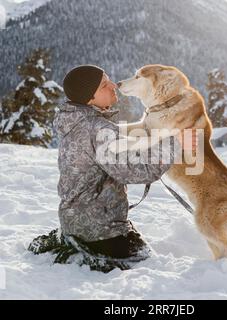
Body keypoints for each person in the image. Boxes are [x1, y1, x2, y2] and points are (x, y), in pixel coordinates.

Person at [28, 65, 192, 272]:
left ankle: (71, 242)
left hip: (74, 219)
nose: (113, 85)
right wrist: (177, 144)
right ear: (90, 98)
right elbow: (134, 170)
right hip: (102, 229)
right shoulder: (98, 129)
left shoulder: (76, 122)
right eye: (104, 85)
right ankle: (85, 256)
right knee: (146, 265)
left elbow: (115, 153)